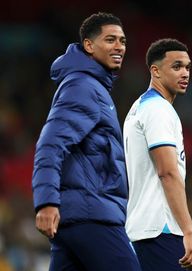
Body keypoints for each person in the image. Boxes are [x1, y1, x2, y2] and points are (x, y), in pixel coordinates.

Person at [32, 12, 142, 271]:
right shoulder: (84, 86)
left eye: (123, 41)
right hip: (92, 215)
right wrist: (46, 202)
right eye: (111, 40)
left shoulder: (92, 87)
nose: (119, 47)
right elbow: (50, 144)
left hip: (78, 216)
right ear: (89, 45)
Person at [123, 38, 192, 271]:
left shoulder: (139, 107)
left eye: (187, 67)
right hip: (163, 229)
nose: (185, 73)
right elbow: (167, 173)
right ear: (155, 71)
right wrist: (188, 231)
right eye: (176, 66)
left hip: (144, 229)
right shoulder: (159, 110)